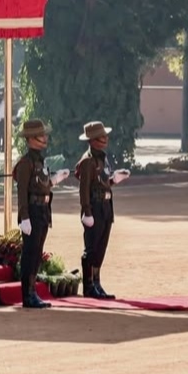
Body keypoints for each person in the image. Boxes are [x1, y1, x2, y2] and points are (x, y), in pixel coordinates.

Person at [12, 119, 69, 308]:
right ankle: (27, 295)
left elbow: (41, 185)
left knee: (37, 253)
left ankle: (32, 292)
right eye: (41, 135)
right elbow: (22, 193)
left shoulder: (40, 162)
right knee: (30, 253)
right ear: (31, 139)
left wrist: (54, 180)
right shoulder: (25, 163)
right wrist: (24, 217)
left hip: (43, 211)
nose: (45, 138)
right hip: (32, 212)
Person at [74, 121, 130, 300]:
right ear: (92, 140)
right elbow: (84, 189)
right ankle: (89, 285)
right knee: (91, 248)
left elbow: (104, 182)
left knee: (101, 248)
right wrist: (86, 211)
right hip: (94, 208)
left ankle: (97, 283)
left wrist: (115, 179)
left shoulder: (102, 158)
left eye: (105, 136)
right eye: (101, 137)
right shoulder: (88, 161)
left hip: (106, 207)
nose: (105, 139)